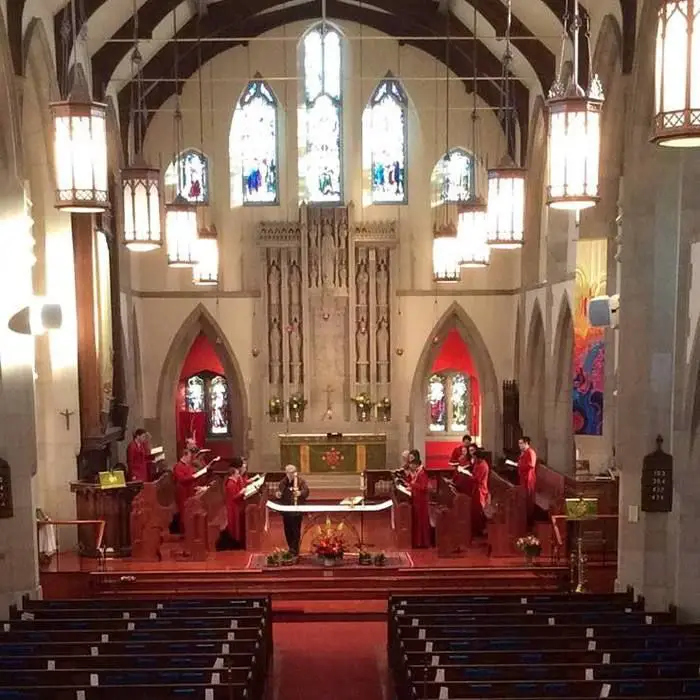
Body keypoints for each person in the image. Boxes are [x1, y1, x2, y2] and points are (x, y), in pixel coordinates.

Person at [171, 448, 209, 534]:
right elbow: (182, 479)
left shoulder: (187, 465)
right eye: (189, 456)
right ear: (184, 455)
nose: (190, 458)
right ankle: (184, 532)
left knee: (190, 509)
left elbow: (192, 474)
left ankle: (191, 530)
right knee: (184, 511)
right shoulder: (178, 466)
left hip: (190, 489)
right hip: (183, 491)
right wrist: (194, 476)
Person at [275, 464, 309, 556]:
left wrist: (300, 493)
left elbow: (306, 491)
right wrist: (278, 494)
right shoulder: (283, 482)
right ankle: (291, 547)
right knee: (287, 530)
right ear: (286, 473)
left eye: (292, 472)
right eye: (288, 473)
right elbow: (280, 493)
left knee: (295, 530)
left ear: (296, 472)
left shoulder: (300, 481)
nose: (290, 474)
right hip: (286, 510)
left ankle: (295, 550)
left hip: (296, 510)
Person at [220, 457, 248, 550]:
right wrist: (242, 492)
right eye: (237, 473)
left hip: (235, 505)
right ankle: (234, 541)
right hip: (232, 506)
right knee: (234, 524)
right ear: (233, 473)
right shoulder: (230, 484)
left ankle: (238, 540)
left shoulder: (234, 481)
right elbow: (233, 497)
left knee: (237, 524)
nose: (238, 475)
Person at [407, 449, 431, 548]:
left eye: (412, 464)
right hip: (417, 500)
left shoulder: (422, 473)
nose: (411, 466)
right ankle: (418, 542)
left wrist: (413, 485)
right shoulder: (418, 472)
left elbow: (423, 487)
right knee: (418, 521)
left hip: (421, 501)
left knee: (421, 522)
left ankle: (423, 542)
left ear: (416, 464)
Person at [470, 447, 491, 536]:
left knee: (479, 509)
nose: (473, 459)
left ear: (479, 458)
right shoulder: (477, 463)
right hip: (476, 488)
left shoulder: (483, 465)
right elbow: (474, 473)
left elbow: (477, 479)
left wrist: (470, 476)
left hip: (480, 489)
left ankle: (480, 529)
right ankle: (476, 528)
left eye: (475, 457)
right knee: (475, 509)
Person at [518, 436, 537, 528]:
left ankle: (529, 522)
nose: (519, 445)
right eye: (519, 443)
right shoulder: (523, 453)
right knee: (524, 499)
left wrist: (520, 466)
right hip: (523, 478)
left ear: (526, 443)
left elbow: (531, 465)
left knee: (528, 499)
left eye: (521, 443)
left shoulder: (530, 452)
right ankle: (525, 520)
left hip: (528, 479)